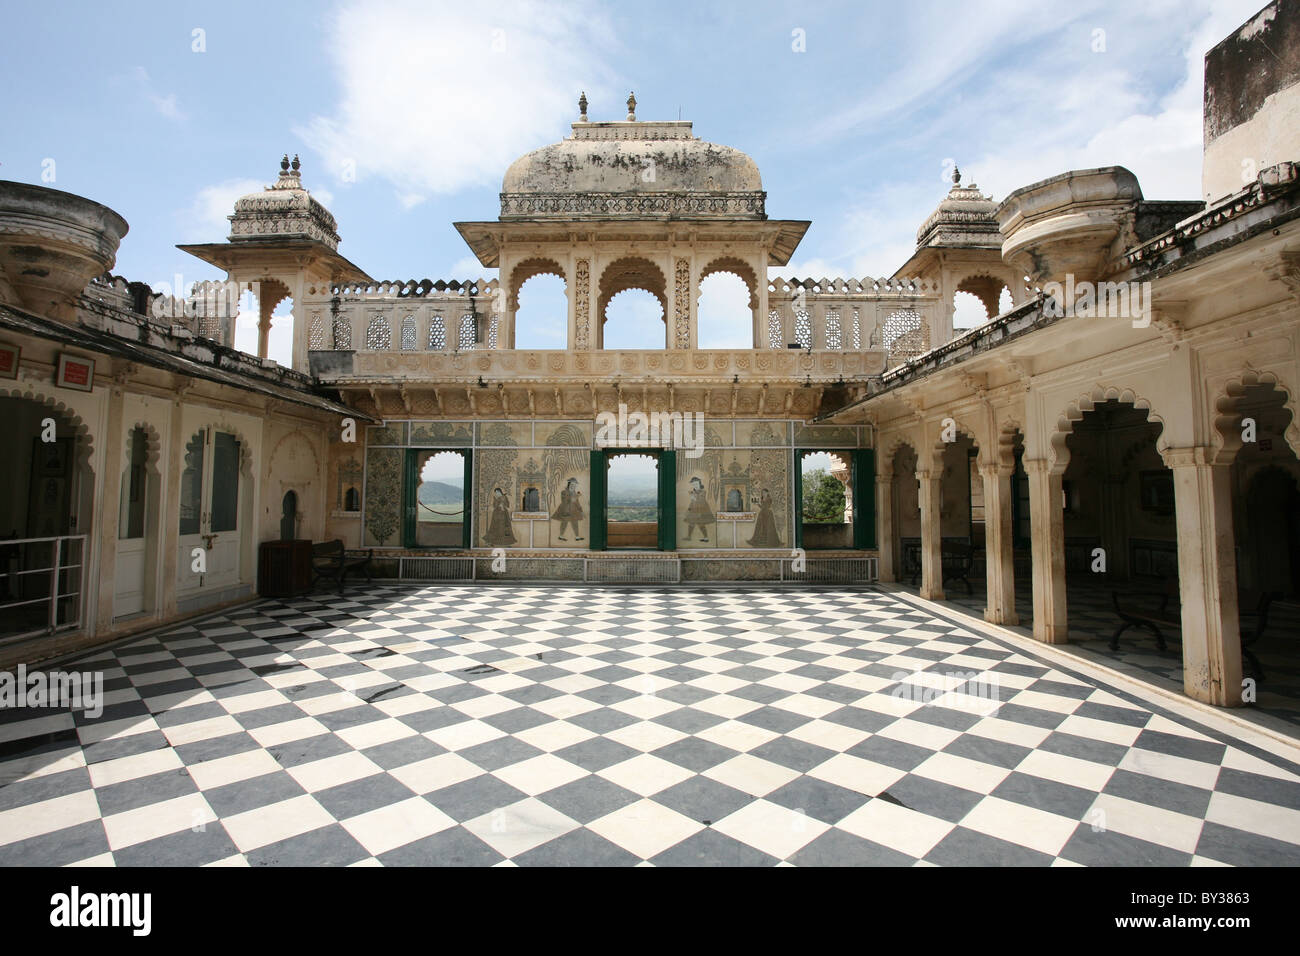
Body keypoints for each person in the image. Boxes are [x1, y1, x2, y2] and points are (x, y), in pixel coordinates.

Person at [551, 477, 584, 541]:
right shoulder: (564, 492)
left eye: (574, 485)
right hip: (565, 510)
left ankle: (577, 537)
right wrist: (576, 496)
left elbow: (577, 503)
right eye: (572, 485)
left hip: (574, 511)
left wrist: (581, 510)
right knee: (564, 523)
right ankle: (561, 536)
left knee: (575, 523)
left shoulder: (574, 492)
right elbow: (567, 501)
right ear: (568, 484)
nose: (573, 486)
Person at [684, 476, 714, 542]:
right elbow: (692, 502)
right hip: (694, 510)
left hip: (702, 509)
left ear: (699, 484)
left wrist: (693, 497)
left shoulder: (703, 491)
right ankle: (689, 537)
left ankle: (706, 537)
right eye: (693, 484)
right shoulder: (693, 492)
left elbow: (701, 500)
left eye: (696, 484)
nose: (695, 486)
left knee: (701, 524)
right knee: (691, 524)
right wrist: (689, 509)